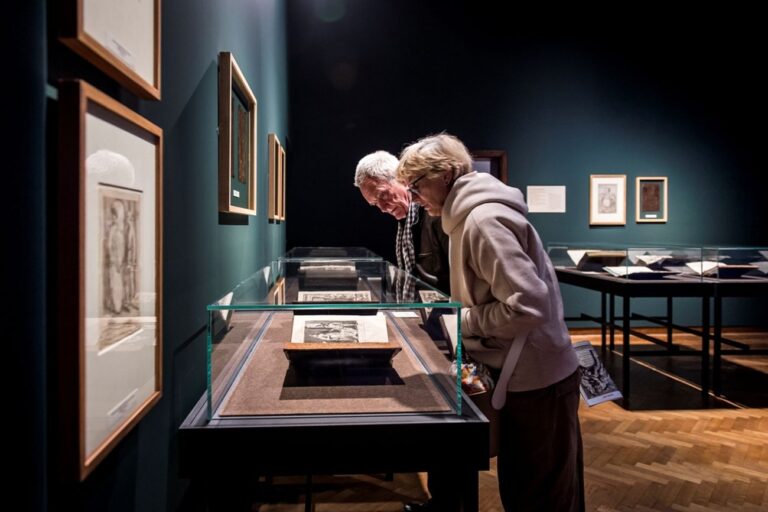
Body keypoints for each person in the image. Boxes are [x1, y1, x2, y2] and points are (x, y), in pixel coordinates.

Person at [396, 134, 584, 512]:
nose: (414, 198)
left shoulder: (483, 220)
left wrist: (462, 320)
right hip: (526, 377)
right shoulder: (468, 217)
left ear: (447, 174)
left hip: (538, 380)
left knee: (541, 495)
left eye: (417, 186)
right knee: (527, 488)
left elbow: (529, 306)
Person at [354, 150, 450, 295]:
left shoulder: (436, 213)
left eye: (382, 194)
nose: (383, 208)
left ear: (401, 178)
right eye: (375, 203)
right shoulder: (406, 222)